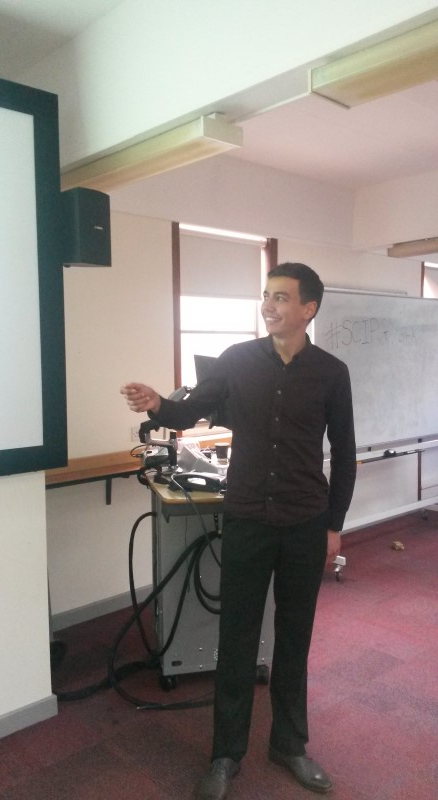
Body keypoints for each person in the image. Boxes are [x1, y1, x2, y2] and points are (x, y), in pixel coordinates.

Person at [121, 262, 356, 798]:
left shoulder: (331, 372)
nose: (269, 305)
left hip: (305, 523)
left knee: (294, 638)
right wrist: (159, 404)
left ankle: (289, 745)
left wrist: (335, 525)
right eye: (266, 295)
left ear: (308, 309)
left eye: (281, 297)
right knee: (237, 639)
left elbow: (344, 452)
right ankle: (226, 754)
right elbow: (191, 412)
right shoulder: (236, 360)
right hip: (248, 517)